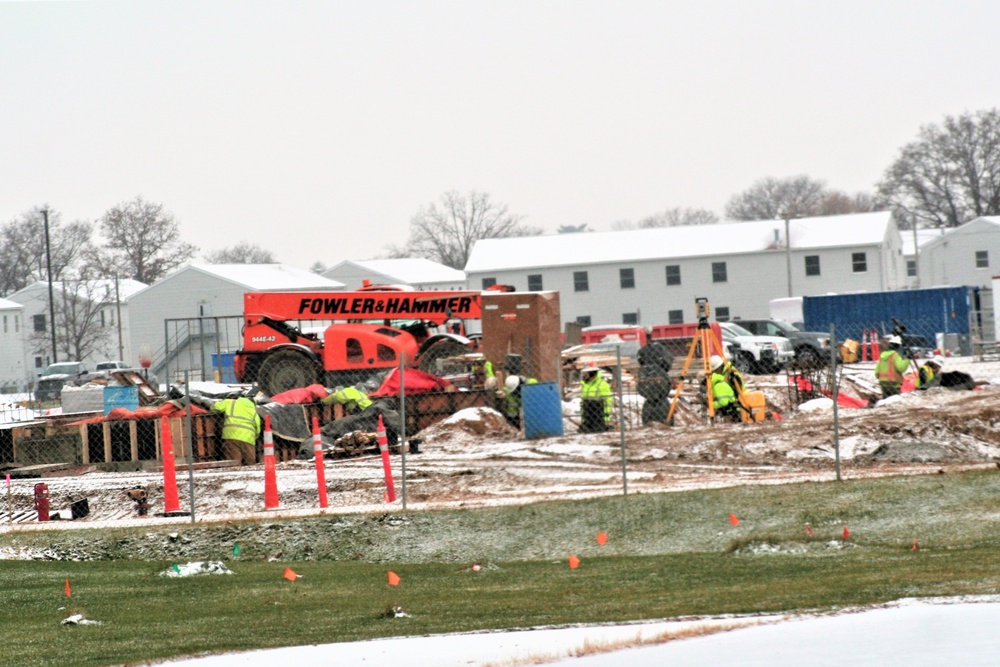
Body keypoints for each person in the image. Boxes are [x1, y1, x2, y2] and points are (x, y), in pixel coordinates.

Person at [212, 394, 262, 466]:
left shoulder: (230, 402)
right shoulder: (253, 410)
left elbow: (214, 407)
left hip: (231, 435)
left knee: (234, 462)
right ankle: (250, 475)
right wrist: (254, 437)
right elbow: (257, 427)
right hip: (248, 438)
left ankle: (235, 473)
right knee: (250, 463)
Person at [580, 365, 613, 433]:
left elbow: (607, 401)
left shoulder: (602, 384)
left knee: (597, 431)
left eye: (586, 373)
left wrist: (606, 417)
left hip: (598, 411)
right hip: (588, 412)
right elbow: (583, 400)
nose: (585, 375)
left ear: (592, 373)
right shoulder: (586, 385)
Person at [709, 356, 741, 422]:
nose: (714, 373)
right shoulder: (725, 374)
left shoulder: (730, 374)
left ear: (718, 368)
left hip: (738, 403)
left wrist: (711, 404)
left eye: (714, 371)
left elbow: (724, 401)